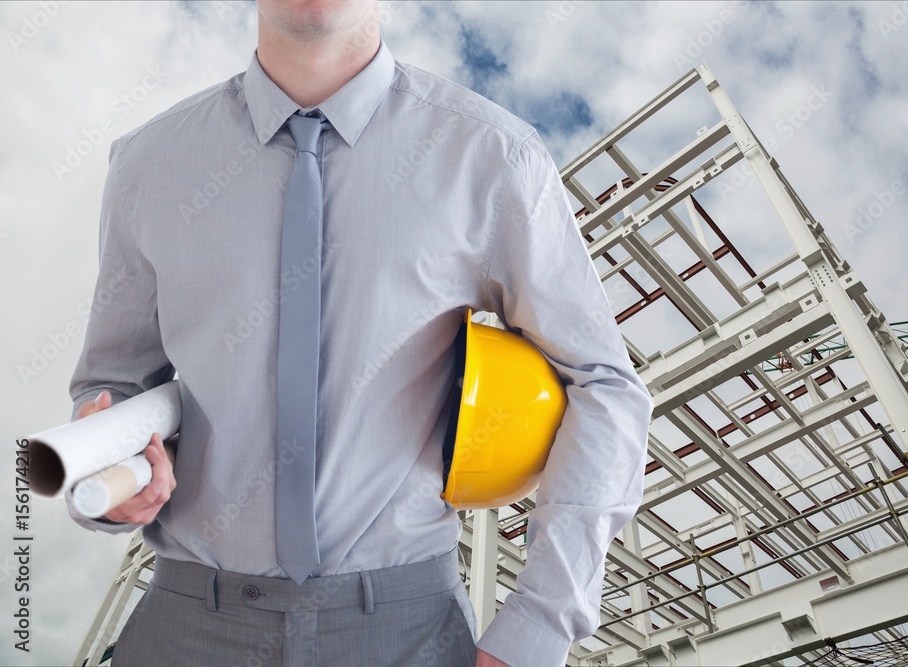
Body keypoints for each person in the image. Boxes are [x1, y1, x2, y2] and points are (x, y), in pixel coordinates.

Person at [69, 1, 653, 665]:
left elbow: (605, 384)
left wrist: (539, 626)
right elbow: (111, 382)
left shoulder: (492, 155)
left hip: (407, 634)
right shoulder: (148, 165)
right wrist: (112, 476)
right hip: (184, 630)